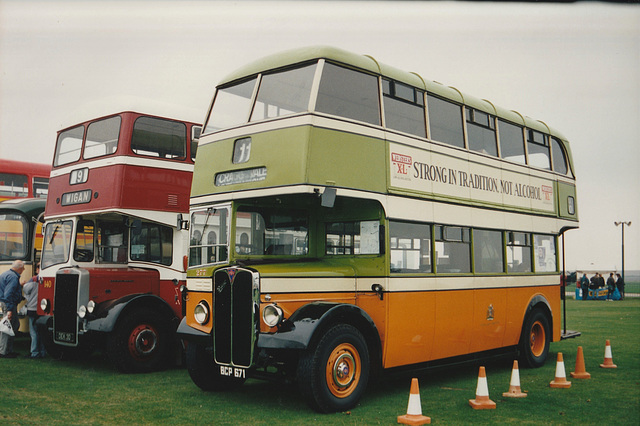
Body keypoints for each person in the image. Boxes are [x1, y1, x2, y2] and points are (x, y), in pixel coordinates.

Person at [0, 260, 26, 358]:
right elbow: (8, 294)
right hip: (9, 304)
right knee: (9, 327)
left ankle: (7, 349)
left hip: (6, 303)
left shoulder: (6, 274)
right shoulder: (14, 277)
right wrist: (10, 310)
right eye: (23, 268)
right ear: (19, 268)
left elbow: (6, 289)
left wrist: (19, 287)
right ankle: (4, 351)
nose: (23, 270)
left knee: (13, 325)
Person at [22, 263, 46, 358]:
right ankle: (43, 352)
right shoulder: (50, 280)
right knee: (43, 332)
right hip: (44, 310)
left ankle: (34, 352)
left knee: (34, 332)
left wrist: (29, 280)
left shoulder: (33, 281)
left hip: (33, 309)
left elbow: (26, 290)